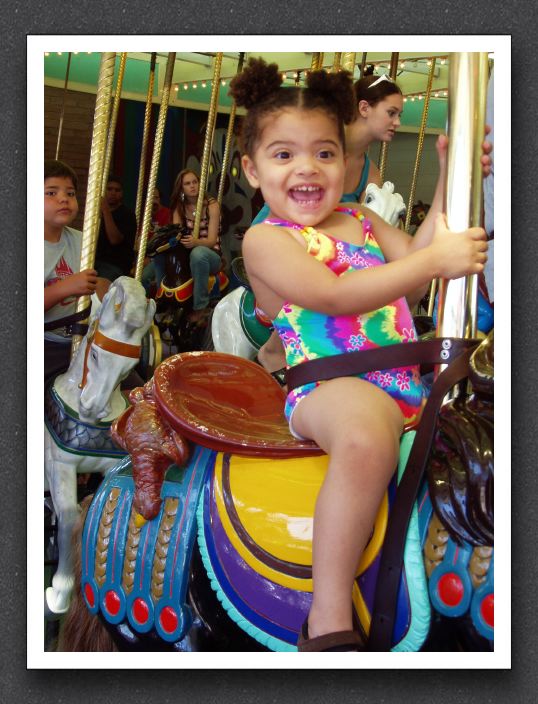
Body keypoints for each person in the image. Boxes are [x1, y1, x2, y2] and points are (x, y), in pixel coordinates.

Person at [229, 58, 488, 652]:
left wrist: (453, 173)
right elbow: (335, 294)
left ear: (347, 164)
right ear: (252, 168)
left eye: (324, 153)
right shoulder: (268, 239)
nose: (307, 168)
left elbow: (417, 270)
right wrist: (429, 262)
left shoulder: (363, 219)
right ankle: (326, 616)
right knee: (367, 440)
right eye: (284, 154)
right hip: (328, 387)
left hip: (404, 381)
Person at [254, 68, 404, 375]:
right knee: (311, 291)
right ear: (364, 108)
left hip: (334, 230)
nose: (397, 122)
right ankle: (274, 349)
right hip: (294, 226)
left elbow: (363, 216)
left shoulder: (369, 169)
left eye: (326, 155)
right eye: (391, 112)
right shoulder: (322, 137)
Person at [44, 159, 109, 382]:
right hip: (44, 341)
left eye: (70, 193)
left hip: (81, 340)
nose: (64, 198)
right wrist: (66, 287)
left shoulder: (83, 240)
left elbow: (91, 283)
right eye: (51, 193)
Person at [168, 169, 222, 324]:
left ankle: (201, 307)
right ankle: (160, 302)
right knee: (159, 259)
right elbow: (176, 232)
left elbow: (212, 240)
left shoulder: (212, 205)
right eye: (187, 183)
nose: (192, 186)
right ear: (181, 188)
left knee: (198, 254)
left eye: (195, 182)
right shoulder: (179, 207)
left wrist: (196, 242)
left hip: (211, 255)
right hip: (188, 252)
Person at [94, 175, 137, 282]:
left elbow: (115, 239)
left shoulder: (127, 214)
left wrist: (106, 211)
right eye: (109, 189)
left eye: (117, 190)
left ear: (122, 193)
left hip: (114, 264)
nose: (113, 193)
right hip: (96, 260)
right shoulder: (95, 213)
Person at [138, 186, 172, 295]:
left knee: (144, 277)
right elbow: (139, 242)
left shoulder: (167, 214)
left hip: (161, 256)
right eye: (151, 197)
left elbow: (166, 241)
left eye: (156, 197)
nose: (154, 200)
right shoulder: (145, 217)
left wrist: (150, 258)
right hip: (146, 256)